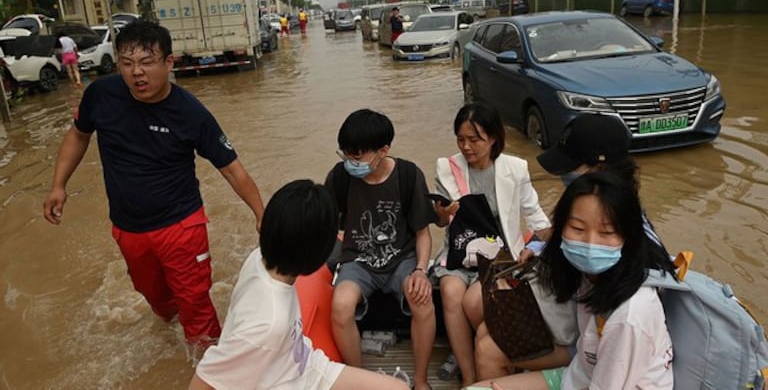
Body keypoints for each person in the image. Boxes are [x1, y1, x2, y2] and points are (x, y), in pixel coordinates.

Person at [42, 19, 264, 353]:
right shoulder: (101, 96)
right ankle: (175, 350)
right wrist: (59, 185)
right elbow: (79, 134)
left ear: (168, 63)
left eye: (147, 63)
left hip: (181, 226)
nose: (137, 73)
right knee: (157, 301)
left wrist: (262, 214)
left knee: (196, 309)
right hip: (128, 228)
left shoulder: (191, 113)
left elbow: (231, 169)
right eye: (127, 64)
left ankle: (208, 368)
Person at [189, 180, 410, 390]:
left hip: (305, 364)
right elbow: (205, 377)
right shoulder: (269, 325)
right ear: (316, 256)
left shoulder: (259, 258)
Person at [472, 172, 676, 390]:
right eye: (578, 229)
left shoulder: (630, 316)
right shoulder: (588, 274)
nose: (590, 244)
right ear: (560, 229)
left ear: (629, 237)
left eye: (606, 232)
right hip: (581, 372)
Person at [430, 102, 552, 387]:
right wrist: (442, 216)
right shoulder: (447, 168)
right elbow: (441, 222)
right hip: (460, 253)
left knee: (474, 301)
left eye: (475, 139)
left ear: (494, 138)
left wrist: (541, 245)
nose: (466, 147)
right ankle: (470, 376)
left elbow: (535, 215)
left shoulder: (515, 168)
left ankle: (494, 354)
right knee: (450, 291)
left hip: (499, 256)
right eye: (461, 139)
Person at [325, 109, 436, 390]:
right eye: (346, 154)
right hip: (358, 262)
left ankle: (421, 380)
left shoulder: (408, 176)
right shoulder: (340, 177)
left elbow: (423, 233)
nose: (351, 162)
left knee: (422, 300)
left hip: (402, 260)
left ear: (383, 151)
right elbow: (324, 223)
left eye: (358, 156)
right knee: (340, 305)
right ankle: (361, 379)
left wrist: (421, 271)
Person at [536, 113, 662, 245]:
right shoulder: (586, 201)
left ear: (599, 169)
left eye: (606, 232)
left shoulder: (635, 228)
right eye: (578, 228)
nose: (564, 175)